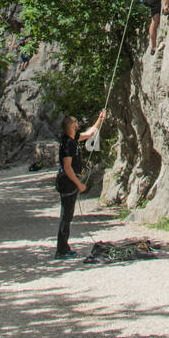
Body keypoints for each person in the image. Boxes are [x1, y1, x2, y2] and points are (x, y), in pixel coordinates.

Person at [54, 110, 106, 259]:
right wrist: (79, 184)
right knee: (66, 215)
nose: (78, 124)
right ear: (71, 126)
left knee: (68, 215)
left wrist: (100, 119)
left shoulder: (73, 138)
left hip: (70, 181)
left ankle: (63, 248)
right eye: (75, 122)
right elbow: (67, 167)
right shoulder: (67, 143)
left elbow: (89, 134)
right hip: (67, 182)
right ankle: (61, 250)